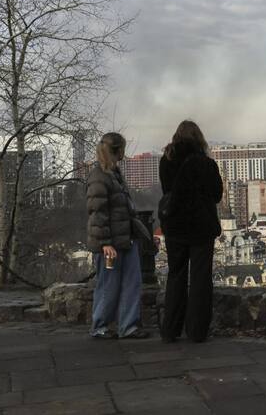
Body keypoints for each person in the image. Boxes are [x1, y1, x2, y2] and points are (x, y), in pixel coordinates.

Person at [159, 120, 223, 343]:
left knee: (175, 275)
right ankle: (196, 331)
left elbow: (167, 191)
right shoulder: (206, 164)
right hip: (200, 226)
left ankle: (170, 329)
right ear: (199, 138)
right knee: (200, 278)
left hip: (174, 226)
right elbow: (217, 195)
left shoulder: (165, 161)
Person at [86, 132, 150, 339]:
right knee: (108, 286)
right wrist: (105, 243)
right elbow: (97, 212)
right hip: (111, 242)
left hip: (124, 238)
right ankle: (100, 326)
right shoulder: (100, 176)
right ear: (118, 150)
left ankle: (128, 326)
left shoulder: (112, 173)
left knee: (132, 282)